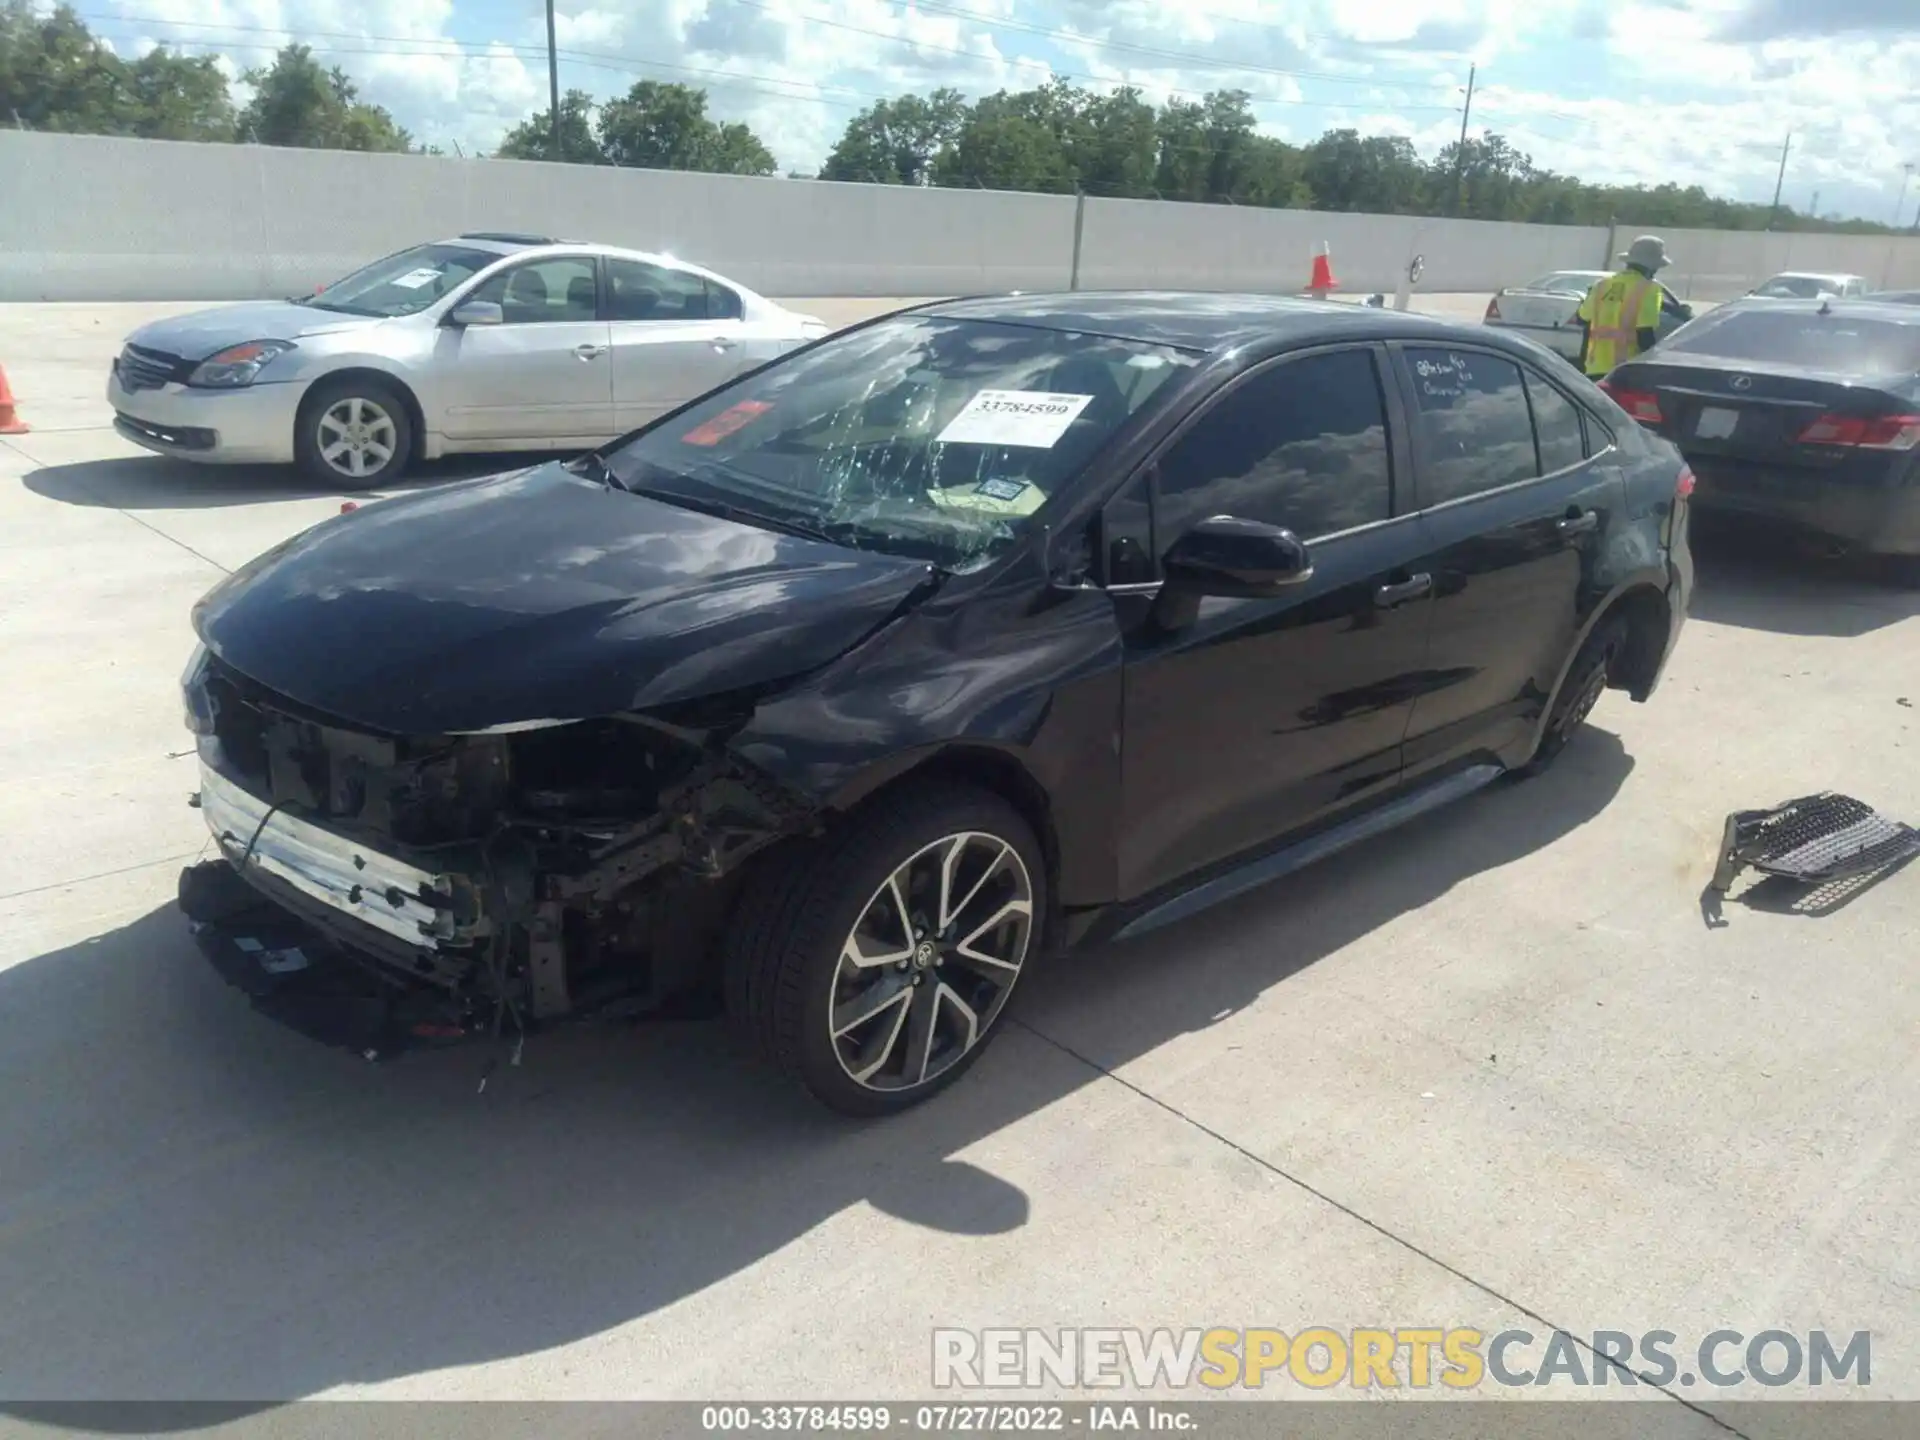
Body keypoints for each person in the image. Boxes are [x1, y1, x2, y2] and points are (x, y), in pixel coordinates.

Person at [1574, 235, 1671, 379]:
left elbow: (1581, 319)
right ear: (1652, 267)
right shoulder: (1649, 289)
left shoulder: (1601, 285)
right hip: (1625, 371)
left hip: (1593, 368)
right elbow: (1645, 334)